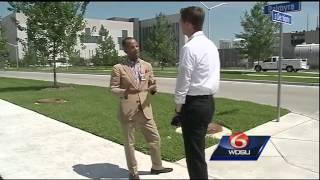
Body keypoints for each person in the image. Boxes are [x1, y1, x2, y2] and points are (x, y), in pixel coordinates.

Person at [110, 37, 173, 180]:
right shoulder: (118, 68)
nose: (136, 49)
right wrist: (124, 92)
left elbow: (151, 84)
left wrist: (153, 88)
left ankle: (157, 167)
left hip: (145, 109)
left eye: (137, 46)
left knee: (155, 139)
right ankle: (133, 173)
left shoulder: (147, 66)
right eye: (132, 47)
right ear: (125, 50)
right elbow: (113, 88)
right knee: (129, 143)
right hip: (128, 111)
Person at [174, 6, 220, 179]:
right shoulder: (211, 45)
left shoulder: (190, 47)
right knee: (198, 150)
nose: (180, 25)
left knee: (194, 155)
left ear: (187, 24)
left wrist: (178, 109)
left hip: (194, 104)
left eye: (180, 22)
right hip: (208, 102)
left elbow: (183, 80)